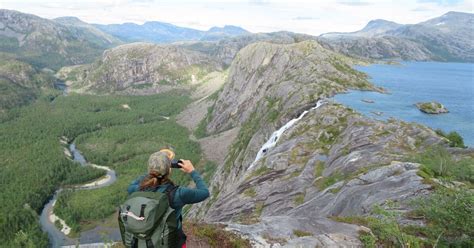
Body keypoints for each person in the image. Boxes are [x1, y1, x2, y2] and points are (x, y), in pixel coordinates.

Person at [127, 149, 210, 248]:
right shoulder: (178, 194)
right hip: (171, 242)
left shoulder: (136, 189)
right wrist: (192, 171)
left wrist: (155, 168)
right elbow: (205, 192)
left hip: (146, 241)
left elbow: (133, 184)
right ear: (169, 170)